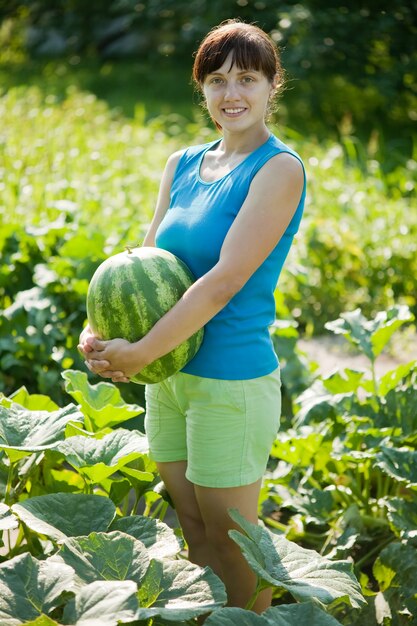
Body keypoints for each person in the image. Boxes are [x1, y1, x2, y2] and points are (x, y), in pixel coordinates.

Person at [78, 19, 306, 613]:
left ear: (271, 85)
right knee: (191, 526)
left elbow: (224, 281)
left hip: (229, 378)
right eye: (218, 80)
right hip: (169, 377)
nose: (232, 93)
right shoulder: (181, 163)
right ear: (201, 88)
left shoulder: (279, 169)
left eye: (248, 78)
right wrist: (100, 333)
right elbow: (141, 259)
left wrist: (142, 350)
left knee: (233, 544)